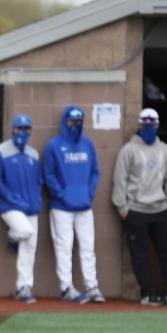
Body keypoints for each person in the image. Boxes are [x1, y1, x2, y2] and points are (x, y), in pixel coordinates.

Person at [112, 108, 167, 306]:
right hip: (136, 210)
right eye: (145, 125)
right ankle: (148, 293)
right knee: (140, 255)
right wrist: (123, 208)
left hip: (160, 209)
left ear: (157, 125)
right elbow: (119, 180)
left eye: (151, 125)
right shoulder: (128, 150)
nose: (148, 129)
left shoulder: (164, 149)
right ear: (139, 125)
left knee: (166, 252)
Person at [43, 105, 105, 303]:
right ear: (65, 121)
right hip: (61, 207)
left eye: (79, 121)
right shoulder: (53, 146)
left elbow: (95, 172)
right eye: (72, 120)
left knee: (88, 247)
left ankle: (92, 286)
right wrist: (61, 195)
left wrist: (89, 193)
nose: (75, 124)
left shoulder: (88, 144)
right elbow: (49, 175)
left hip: (84, 206)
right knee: (64, 247)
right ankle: (66, 288)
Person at [0, 114, 44, 304]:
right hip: (10, 206)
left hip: (31, 207)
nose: (23, 132)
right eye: (19, 128)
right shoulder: (0, 151)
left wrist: (36, 201)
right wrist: (11, 198)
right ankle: (12, 236)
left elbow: (39, 181)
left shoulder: (34, 154)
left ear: (31, 131)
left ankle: (23, 287)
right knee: (25, 232)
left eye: (27, 129)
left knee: (30, 249)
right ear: (12, 129)